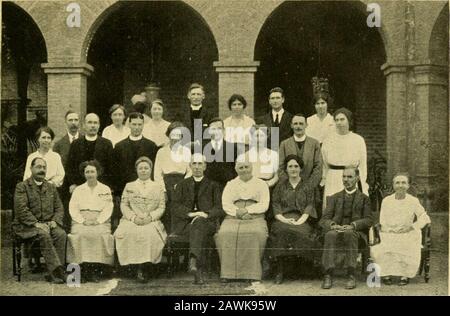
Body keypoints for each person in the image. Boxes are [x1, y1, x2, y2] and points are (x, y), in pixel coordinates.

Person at [171, 153, 224, 284]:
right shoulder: (182, 185)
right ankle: (196, 267)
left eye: (200, 164)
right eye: (194, 164)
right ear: (190, 166)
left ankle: (194, 262)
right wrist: (190, 214)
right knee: (197, 227)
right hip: (185, 224)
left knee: (199, 224)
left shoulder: (213, 185)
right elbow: (174, 206)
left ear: (205, 166)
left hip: (207, 223)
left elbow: (219, 207)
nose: (197, 167)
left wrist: (206, 214)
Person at [370, 173, 431, 286]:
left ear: (408, 186)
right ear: (393, 185)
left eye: (403, 183)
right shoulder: (387, 201)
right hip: (390, 232)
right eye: (397, 183)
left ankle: (405, 274)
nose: (400, 185)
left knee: (407, 245)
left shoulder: (413, 201)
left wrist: (412, 226)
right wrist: (390, 229)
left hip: (407, 233)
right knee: (384, 247)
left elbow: (424, 217)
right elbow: (382, 219)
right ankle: (386, 273)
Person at [13, 157, 67, 284]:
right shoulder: (22, 187)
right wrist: (36, 223)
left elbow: (59, 207)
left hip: (48, 224)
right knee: (44, 235)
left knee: (61, 234)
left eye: (44, 167)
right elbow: (21, 209)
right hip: (26, 226)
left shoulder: (51, 187)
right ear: (31, 169)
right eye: (38, 167)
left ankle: (57, 270)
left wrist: (55, 220)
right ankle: (56, 272)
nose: (41, 170)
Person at [215, 161, 270, 282]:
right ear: (236, 169)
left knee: (255, 233)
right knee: (225, 233)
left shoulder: (261, 184)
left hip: (255, 215)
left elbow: (264, 204)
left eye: (247, 167)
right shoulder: (231, 184)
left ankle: (250, 274)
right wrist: (238, 212)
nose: (244, 170)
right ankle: (227, 274)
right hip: (233, 215)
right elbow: (226, 203)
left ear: (252, 168)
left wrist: (247, 210)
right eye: (241, 167)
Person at [114, 157, 167, 283]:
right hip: (132, 219)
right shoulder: (130, 185)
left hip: (151, 219)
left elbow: (161, 206)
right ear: (136, 170)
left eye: (146, 168)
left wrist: (150, 217)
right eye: (140, 168)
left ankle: (145, 267)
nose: (143, 171)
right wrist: (133, 217)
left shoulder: (158, 186)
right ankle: (132, 267)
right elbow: (124, 205)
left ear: (151, 169)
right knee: (129, 232)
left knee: (149, 233)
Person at [319, 166, 373, 290]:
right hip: (336, 230)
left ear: (357, 178)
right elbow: (324, 219)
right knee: (330, 234)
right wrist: (333, 225)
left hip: (356, 234)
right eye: (344, 176)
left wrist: (354, 225)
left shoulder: (364, 199)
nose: (346, 179)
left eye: (350, 177)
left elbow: (369, 220)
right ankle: (328, 274)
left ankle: (351, 274)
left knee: (349, 233)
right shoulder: (334, 198)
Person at [269, 155, 320, 284]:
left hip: (302, 219)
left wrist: (299, 221)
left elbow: (310, 205)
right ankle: (279, 271)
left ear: (301, 168)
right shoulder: (280, 186)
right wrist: (284, 220)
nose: (293, 169)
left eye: (296, 166)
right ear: (286, 169)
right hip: (282, 219)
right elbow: (276, 205)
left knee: (302, 232)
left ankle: (302, 268)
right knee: (281, 232)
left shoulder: (308, 186)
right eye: (290, 166)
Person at [67, 160, 114, 283]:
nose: (90, 174)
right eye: (87, 172)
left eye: (92, 171)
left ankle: (94, 270)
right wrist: (82, 220)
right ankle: (82, 270)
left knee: (97, 235)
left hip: (100, 220)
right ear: (84, 174)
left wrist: (98, 221)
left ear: (97, 172)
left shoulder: (105, 189)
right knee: (80, 235)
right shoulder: (78, 190)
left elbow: (108, 208)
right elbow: (73, 208)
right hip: (81, 219)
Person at [321, 108, 368, 205]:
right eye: (336, 120)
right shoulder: (328, 140)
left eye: (342, 119)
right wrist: (325, 179)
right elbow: (324, 162)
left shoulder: (358, 140)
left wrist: (361, 181)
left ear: (349, 121)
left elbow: (363, 164)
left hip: (351, 177)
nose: (339, 122)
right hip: (333, 178)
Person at [153, 121, 192, 231]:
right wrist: (163, 190)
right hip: (166, 183)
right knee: (167, 211)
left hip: (182, 182)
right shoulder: (161, 152)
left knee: (180, 210)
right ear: (168, 134)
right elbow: (157, 173)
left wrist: (182, 185)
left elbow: (190, 171)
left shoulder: (186, 151)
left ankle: (179, 235)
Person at [112, 112, 158, 196]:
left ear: (143, 125)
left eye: (139, 124)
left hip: (146, 190)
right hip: (124, 189)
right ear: (129, 124)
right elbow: (116, 171)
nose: (137, 127)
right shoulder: (119, 146)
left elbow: (154, 169)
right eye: (134, 124)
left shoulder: (151, 146)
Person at [66, 113, 114, 192]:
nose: (93, 125)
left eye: (95, 123)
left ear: (99, 125)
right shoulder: (76, 144)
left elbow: (111, 168)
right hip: (80, 187)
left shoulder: (106, 144)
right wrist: (73, 183)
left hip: (101, 187)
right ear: (84, 125)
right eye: (90, 122)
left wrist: (108, 186)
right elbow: (70, 167)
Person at [53, 110, 82, 229]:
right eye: (70, 120)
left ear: (79, 122)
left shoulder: (85, 140)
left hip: (82, 183)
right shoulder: (59, 145)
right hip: (65, 186)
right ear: (65, 123)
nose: (73, 123)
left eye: (76, 120)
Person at [278, 114, 322, 188]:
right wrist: (290, 184)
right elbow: (280, 167)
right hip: (289, 187)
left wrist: (310, 185)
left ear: (306, 125)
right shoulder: (284, 144)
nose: (298, 127)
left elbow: (318, 167)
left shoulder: (314, 143)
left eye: (301, 124)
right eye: (295, 124)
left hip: (310, 187)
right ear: (291, 125)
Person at [203, 118, 239, 189]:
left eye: (219, 128)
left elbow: (236, 169)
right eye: (213, 129)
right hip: (208, 188)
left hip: (227, 187)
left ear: (224, 130)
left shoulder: (233, 147)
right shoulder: (202, 148)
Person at [181, 83, 213, 149]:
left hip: (204, 149)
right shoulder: (181, 114)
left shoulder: (210, 114)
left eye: (198, 94)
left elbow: (211, 134)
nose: (196, 97)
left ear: (203, 96)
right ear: (188, 96)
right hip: (185, 149)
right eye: (193, 94)